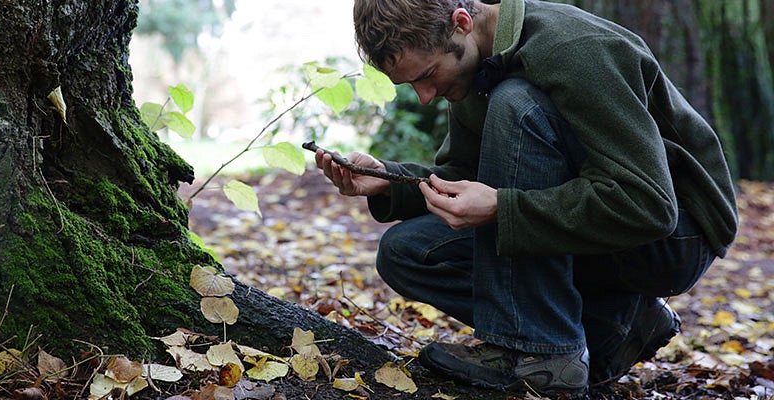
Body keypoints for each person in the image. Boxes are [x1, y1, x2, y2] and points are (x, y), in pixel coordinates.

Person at [314, 0, 738, 395]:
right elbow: (469, 174)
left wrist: (502, 208)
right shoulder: (474, 63)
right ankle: (612, 327)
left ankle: (547, 355)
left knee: (516, 102)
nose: (425, 96)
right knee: (407, 252)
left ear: (461, 23)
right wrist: (388, 179)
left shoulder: (574, 49)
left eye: (427, 76)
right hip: (601, 223)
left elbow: (647, 205)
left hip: (675, 237)